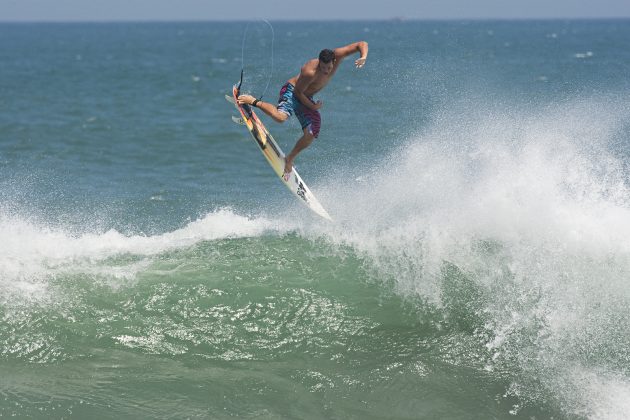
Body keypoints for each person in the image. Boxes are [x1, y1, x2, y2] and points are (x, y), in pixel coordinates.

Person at [238, 41, 368, 175]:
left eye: (328, 68)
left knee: (311, 133)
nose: (325, 71)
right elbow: (297, 93)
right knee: (280, 118)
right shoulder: (309, 72)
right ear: (319, 63)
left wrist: (363, 57)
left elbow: (361, 44)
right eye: (322, 68)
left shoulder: (338, 55)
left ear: (334, 61)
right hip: (292, 91)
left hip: (306, 97)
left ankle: (289, 159)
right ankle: (253, 101)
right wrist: (313, 106)